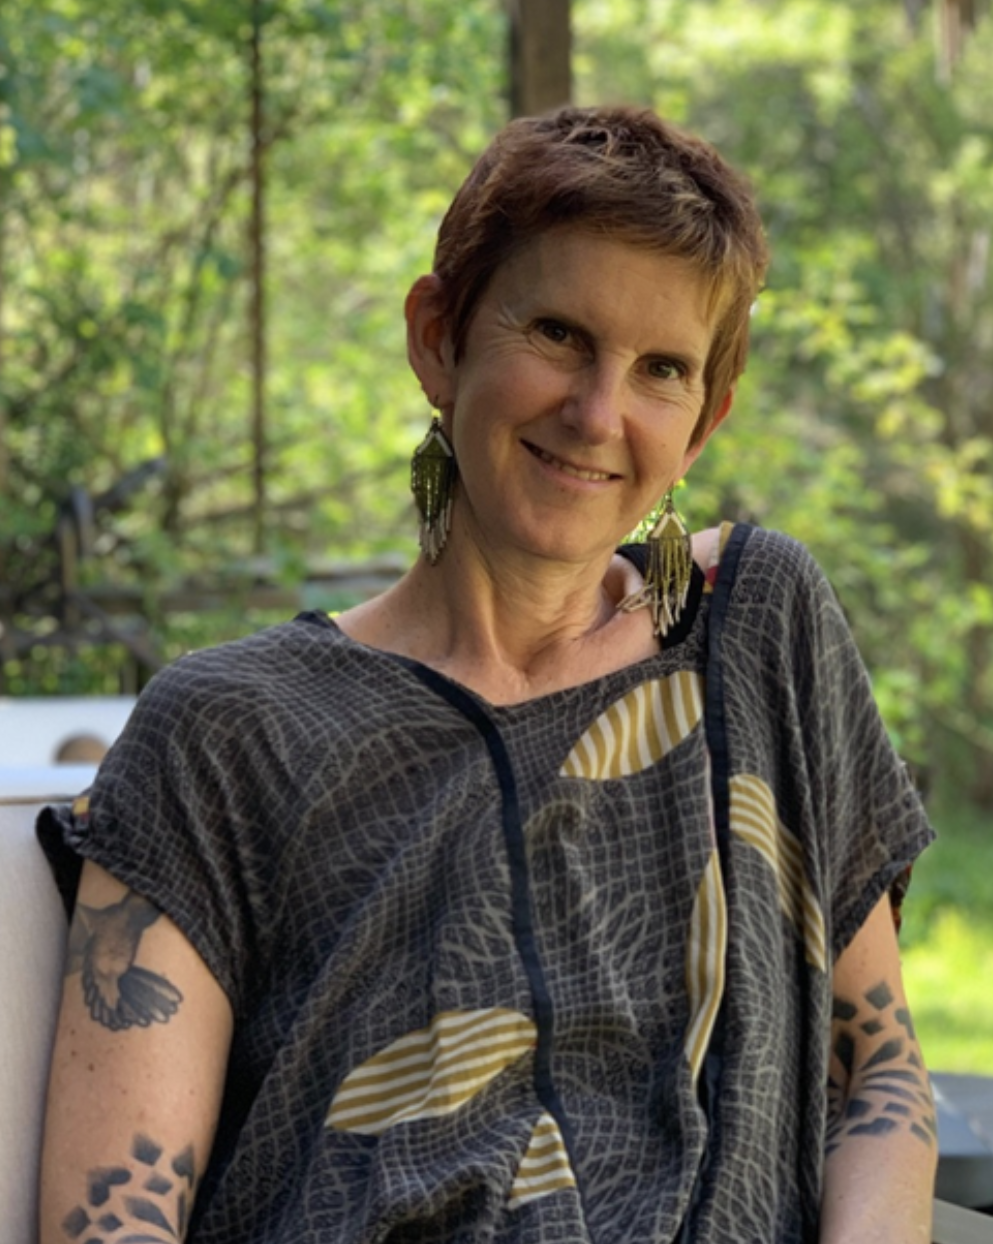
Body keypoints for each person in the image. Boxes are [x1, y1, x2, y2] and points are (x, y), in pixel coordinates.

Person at [37, 105, 936, 1244]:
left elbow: (880, 1075)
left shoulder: (757, 632)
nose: (598, 413)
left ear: (703, 421)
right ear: (438, 338)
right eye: (558, 333)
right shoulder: (226, 729)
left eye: (660, 369)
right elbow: (110, 1220)